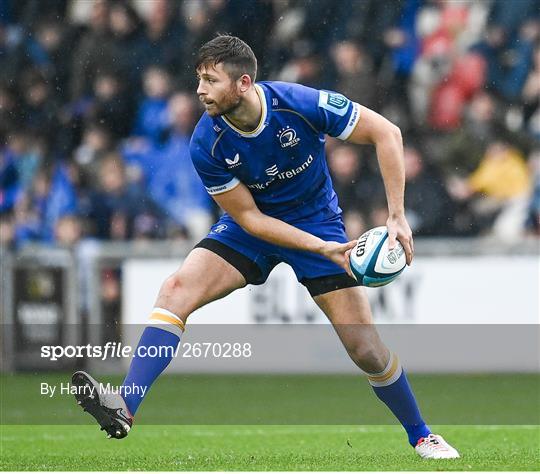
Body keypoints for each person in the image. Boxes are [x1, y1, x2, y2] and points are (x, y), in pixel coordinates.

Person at [72, 35, 459, 460]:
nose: (199, 91)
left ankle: (422, 436)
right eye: (198, 80)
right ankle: (125, 406)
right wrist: (320, 248)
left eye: (209, 80)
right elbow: (251, 219)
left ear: (242, 83)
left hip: (318, 221)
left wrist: (396, 215)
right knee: (176, 289)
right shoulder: (206, 142)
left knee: (365, 350)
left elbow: (388, 133)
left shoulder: (299, 102)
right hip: (251, 227)